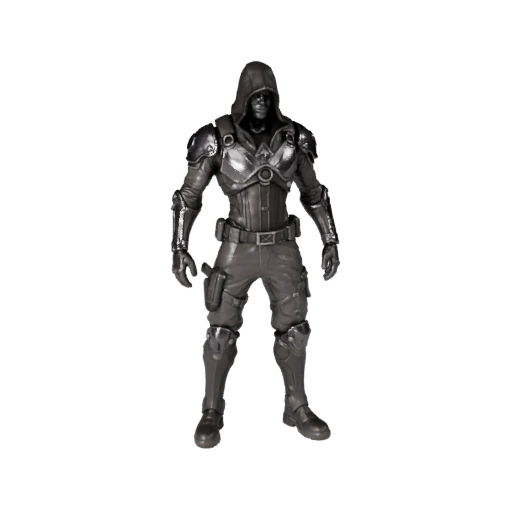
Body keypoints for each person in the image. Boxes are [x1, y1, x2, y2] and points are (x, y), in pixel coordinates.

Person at [171, 61, 340, 448]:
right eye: (255, 94)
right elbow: (189, 197)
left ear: (275, 97)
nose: (262, 100)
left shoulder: (294, 138)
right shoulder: (218, 137)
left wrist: (330, 237)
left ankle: (298, 406)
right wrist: (179, 246)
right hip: (236, 248)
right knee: (219, 331)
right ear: (244, 96)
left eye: (267, 94)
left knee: (296, 329)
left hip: (283, 248)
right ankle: (211, 410)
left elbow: (314, 193)